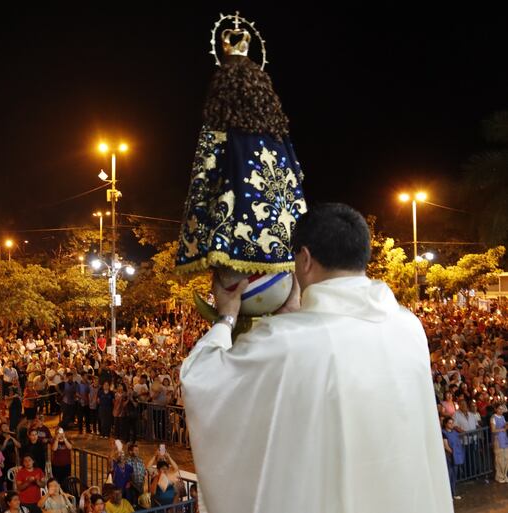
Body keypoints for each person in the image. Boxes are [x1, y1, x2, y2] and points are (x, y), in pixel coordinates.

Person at [180, 204, 452, 512]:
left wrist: (226, 316)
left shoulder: (286, 340)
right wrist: (295, 315)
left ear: (305, 259)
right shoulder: (409, 327)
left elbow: (202, 379)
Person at [442, 416, 464, 500]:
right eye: (449, 423)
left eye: (452, 423)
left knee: (454, 475)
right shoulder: (443, 433)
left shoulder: (454, 432)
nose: (451, 425)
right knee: (450, 475)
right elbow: (446, 446)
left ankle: (453, 493)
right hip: (449, 456)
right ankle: (449, 495)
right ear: (445, 424)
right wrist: (453, 453)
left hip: (456, 456)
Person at [491, 403, 508, 483]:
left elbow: (505, 426)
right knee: (499, 459)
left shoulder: (503, 417)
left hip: (504, 439)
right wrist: (502, 429)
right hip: (498, 440)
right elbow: (493, 430)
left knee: (506, 458)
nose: (501, 410)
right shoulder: (493, 418)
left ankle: (504, 475)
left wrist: (506, 426)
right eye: (499, 409)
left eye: (502, 409)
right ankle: (499, 476)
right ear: (496, 409)